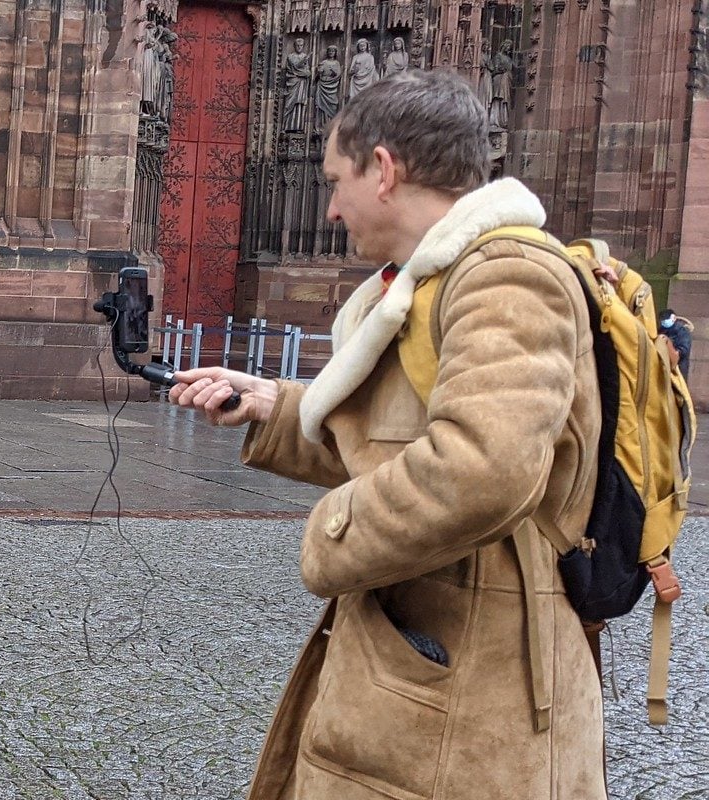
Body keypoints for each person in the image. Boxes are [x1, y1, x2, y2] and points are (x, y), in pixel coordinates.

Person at [168, 70, 603, 798]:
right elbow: (399, 442)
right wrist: (275, 406)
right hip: (435, 658)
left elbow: (484, 467)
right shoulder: (431, 281)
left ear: (384, 169)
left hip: (478, 681)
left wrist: (330, 533)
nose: (331, 208)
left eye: (336, 182)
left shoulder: (507, 276)